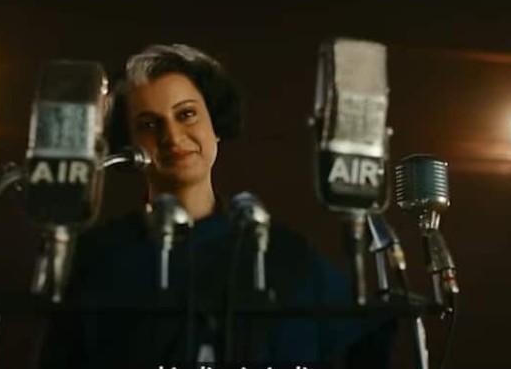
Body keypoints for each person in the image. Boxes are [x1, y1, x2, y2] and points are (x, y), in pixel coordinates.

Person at [38, 43, 398, 368]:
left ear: (216, 123)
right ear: (127, 143)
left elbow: (360, 346)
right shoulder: (96, 257)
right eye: (148, 124)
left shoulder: (289, 255)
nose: (172, 137)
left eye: (186, 114)